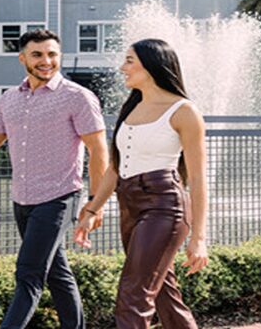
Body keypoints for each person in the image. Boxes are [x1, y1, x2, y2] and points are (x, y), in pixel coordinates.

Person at [0, 28, 109, 329]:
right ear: (22, 58)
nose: (46, 61)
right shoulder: (9, 99)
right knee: (57, 272)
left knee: (28, 273)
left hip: (59, 198)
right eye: (37, 54)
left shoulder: (78, 97)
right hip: (22, 199)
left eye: (52, 54)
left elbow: (97, 149)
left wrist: (96, 201)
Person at [73, 38, 208, 329]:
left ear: (152, 65)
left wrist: (198, 238)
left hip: (164, 206)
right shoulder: (131, 108)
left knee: (133, 293)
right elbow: (115, 168)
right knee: (163, 294)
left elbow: (196, 179)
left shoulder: (184, 111)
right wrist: (92, 209)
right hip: (130, 204)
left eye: (130, 60)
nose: (122, 67)